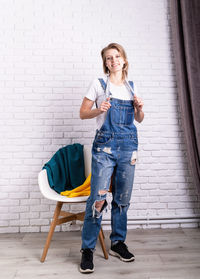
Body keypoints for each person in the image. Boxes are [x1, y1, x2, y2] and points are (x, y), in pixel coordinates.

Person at [79, 43, 144, 273]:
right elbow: (82, 113)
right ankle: (87, 250)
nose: (113, 60)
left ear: (124, 60)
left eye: (117, 56)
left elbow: (139, 119)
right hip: (104, 149)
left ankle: (118, 243)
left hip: (128, 148)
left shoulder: (131, 87)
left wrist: (139, 109)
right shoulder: (98, 85)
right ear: (105, 63)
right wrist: (99, 109)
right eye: (109, 58)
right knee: (97, 200)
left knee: (122, 200)